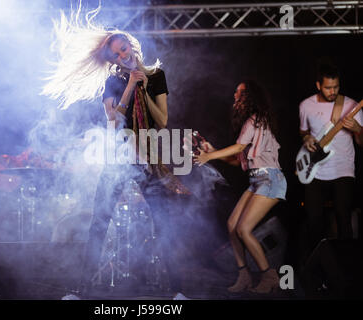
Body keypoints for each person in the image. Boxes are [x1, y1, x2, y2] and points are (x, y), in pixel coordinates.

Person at [42, 8, 191, 295]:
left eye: (124, 50)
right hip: (119, 159)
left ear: (132, 45)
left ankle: (178, 292)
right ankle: (81, 292)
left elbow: (161, 121)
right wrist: (130, 85)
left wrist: (144, 87)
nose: (123, 57)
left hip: (147, 159)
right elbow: (114, 120)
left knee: (163, 223)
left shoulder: (156, 76)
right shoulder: (112, 82)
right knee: (99, 223)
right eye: (116, 56)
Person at [194, 80, 287, 294]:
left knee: (244, 229)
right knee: (232, 225)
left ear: (250, 97)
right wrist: (214, 151)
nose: (235, 95)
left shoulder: (257, 119)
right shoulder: (250, 124)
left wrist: (209, 155)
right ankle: (244, 274)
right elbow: (237, 160)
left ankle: (269, 276)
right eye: (235, 91)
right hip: (257, 180)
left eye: (241, 92)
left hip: (270, 178)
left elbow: (239, 146)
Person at [299, 60, 362, 259]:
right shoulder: (306, 105)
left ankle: (346, 265)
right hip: (314, 171)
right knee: (314, 221)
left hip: (342, 169)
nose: (332, 91)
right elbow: (303, 132)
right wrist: (307, 137)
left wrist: (357, 129)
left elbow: (361, 142)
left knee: (343, 218)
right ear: (318, 85)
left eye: (336, 87)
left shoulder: (351, 105)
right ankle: (317, 267)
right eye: (328, 87)